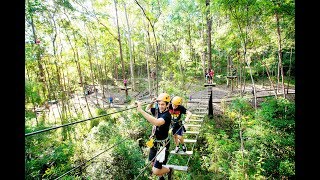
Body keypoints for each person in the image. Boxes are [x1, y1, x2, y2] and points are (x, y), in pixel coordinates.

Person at [136, 93, 173, 180]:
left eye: (163, 104)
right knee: (152, 162)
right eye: (159, 104)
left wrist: (140, 110)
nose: (160, 106)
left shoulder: (167, 115)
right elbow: (147, 109)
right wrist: (152, 102)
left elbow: (156, 122)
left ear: (167, 105)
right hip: (153, 142)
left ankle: (169, 170)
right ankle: (162, 178)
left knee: (155, 171)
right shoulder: (157, 111)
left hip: (162, 145)